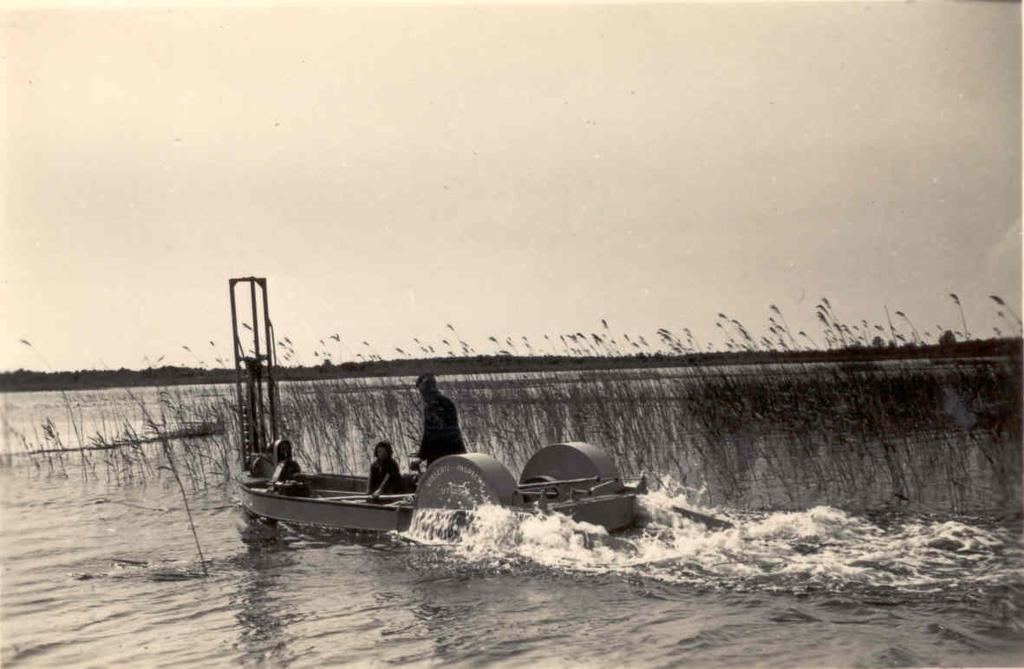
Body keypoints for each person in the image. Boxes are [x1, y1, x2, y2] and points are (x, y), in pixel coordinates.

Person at [413, 373, 466, 469]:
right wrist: (422, 454)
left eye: (421, 389)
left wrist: (422, 456)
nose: (421, 393)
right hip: (453, 450)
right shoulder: (445, 402)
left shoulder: (433, 405)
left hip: (442, 453)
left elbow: (431, 433)